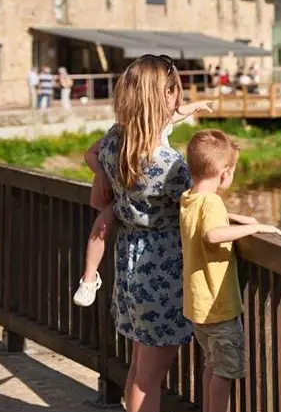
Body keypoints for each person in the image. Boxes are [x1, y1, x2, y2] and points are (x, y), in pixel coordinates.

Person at [94, 54, 197, 412]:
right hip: (163, 268)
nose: (180, 97)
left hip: (130, 258)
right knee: (149, 375)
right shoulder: (169, 164)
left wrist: (99, 178)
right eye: (175, 90)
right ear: (165, 94)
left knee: (140, 366)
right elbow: (196, 210)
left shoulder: (116, 141)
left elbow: (97, 152)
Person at [180, 129, 280, 412]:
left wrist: (236, 216)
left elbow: (206, 220)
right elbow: (211, 234)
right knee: (224, 370)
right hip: (218, 306)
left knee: (212, 364)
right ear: (224, 174)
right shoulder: (210, 201)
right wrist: (254, 227)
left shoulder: (190, 197)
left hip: (198, 306)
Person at [72, 94, 213, 308]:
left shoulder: (132, 132)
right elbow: (91, 154)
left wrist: (195, 106)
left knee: (105, 222)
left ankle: (90, 278)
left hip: (133, 205)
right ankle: (89, 277)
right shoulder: (138, 144)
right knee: (102, 224)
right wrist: (102, 176)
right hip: (133, 202)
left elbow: (176, 114)